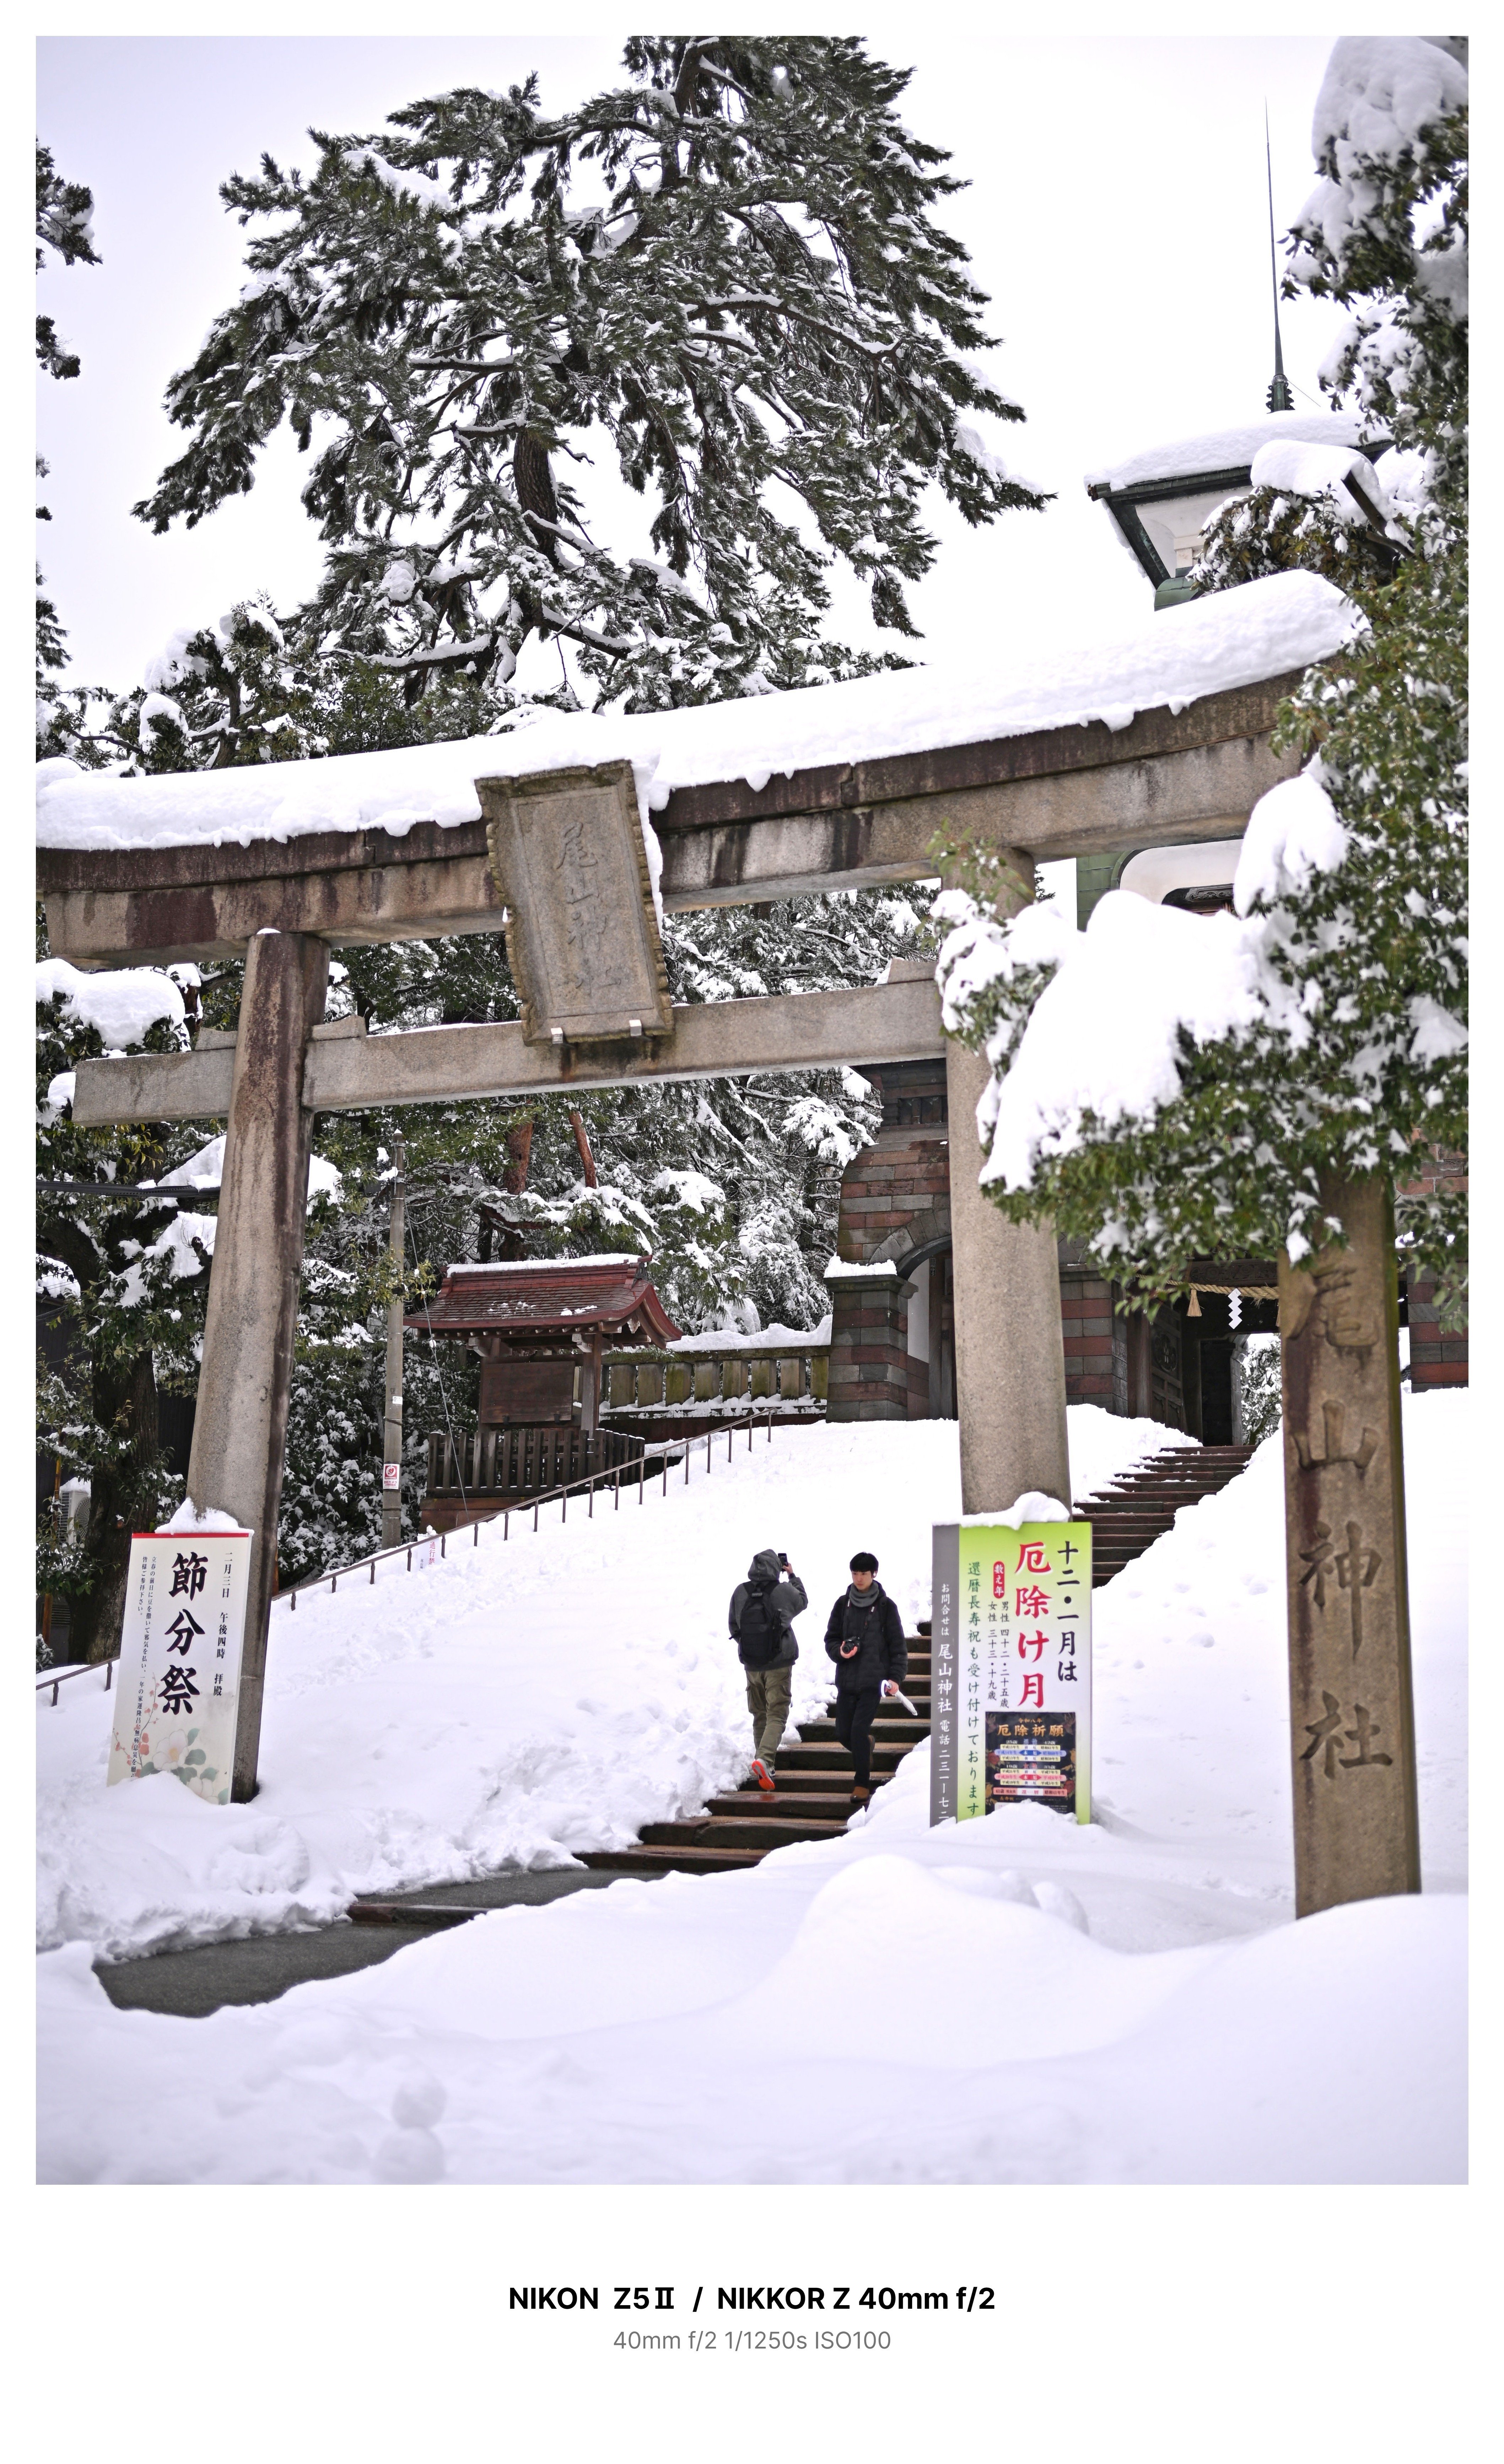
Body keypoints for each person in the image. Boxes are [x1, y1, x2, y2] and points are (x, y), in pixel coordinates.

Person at [824, 1551, 907, 1807]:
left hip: (873, 1682)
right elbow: (831, 1639)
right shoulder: (842, 1604)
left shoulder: (885, 1606)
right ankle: (867, 1745)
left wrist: (895, 1677)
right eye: (855, 1573)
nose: (859, 1578)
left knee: (858, 1730)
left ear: (874, 1574)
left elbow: (897, 1646)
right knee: (843, 1733)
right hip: (847, 1680)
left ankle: (862, 1783)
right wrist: (840, 1651)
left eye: (864, 1574)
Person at [728, 1548, 808, 1794]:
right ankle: (764, 1759)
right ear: (777, 1567)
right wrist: (792, 1577)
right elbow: (802, 1601)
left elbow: (734, 1625)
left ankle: (765, 1764)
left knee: (759, 1713)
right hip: (778, 1663)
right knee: (776, 1712)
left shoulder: (741, 1591)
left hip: (751, 1664)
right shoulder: (781, 1590)